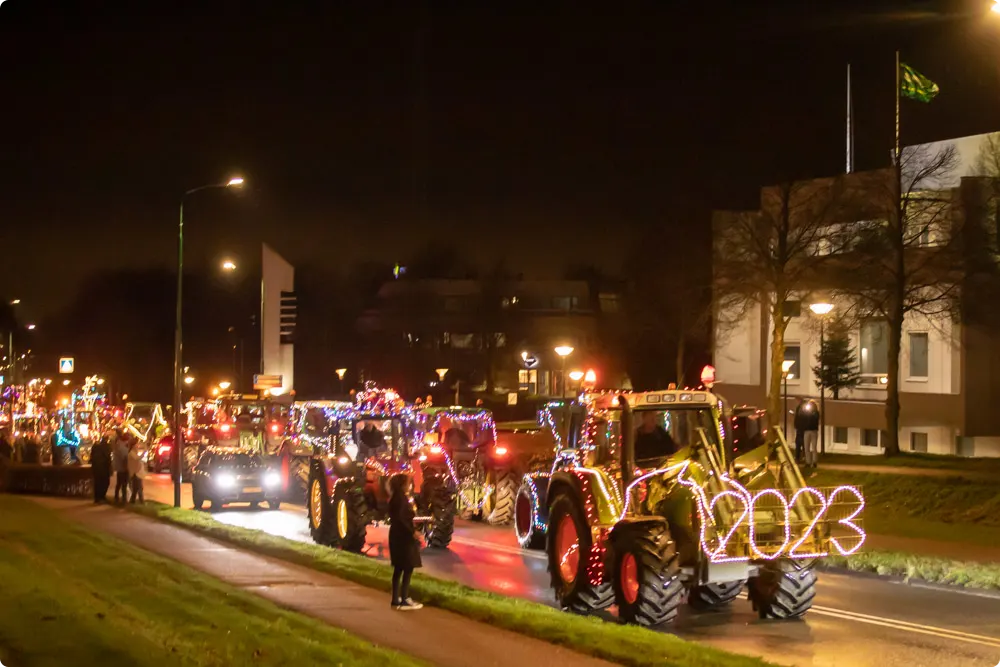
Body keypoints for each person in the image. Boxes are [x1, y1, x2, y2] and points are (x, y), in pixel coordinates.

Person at [387, 473, 423, 611]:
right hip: (404, 537)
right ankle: (404, 598)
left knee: (399, 568)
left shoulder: (395, 498)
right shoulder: (401, 499)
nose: (410, 485)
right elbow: (402, 519)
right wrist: (412, 531)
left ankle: (396, 599)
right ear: (402, 484)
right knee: (408, 566)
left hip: (396, 535)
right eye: (408, 483)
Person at [794, 398, 820, 468]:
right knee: (806, 447)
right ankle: (808, 462)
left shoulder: (816, 412)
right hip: (806, 431)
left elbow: (814, 419)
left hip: (813, 431)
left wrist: (810, 413)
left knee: (814, 447)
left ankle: (814, 462)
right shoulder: (806, 412)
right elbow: (802, 417)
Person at [90, 435, 112, 503]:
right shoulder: (106, 446)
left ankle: (97, 498)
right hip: (103, 467)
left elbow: (92, 456)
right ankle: (102, 496)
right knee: (105, 482)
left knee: (97, 483)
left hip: (96, 467)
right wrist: (110, 466)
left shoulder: (95, 446)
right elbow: (108, 457)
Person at [113, 430, 131, 504]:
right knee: (123, 484)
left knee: (119, 483)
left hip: (120, 468)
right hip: (123, 468)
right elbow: (124, 457)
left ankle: (117, 497)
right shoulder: (122, 446)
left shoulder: (119, 444)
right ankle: (123, 499)